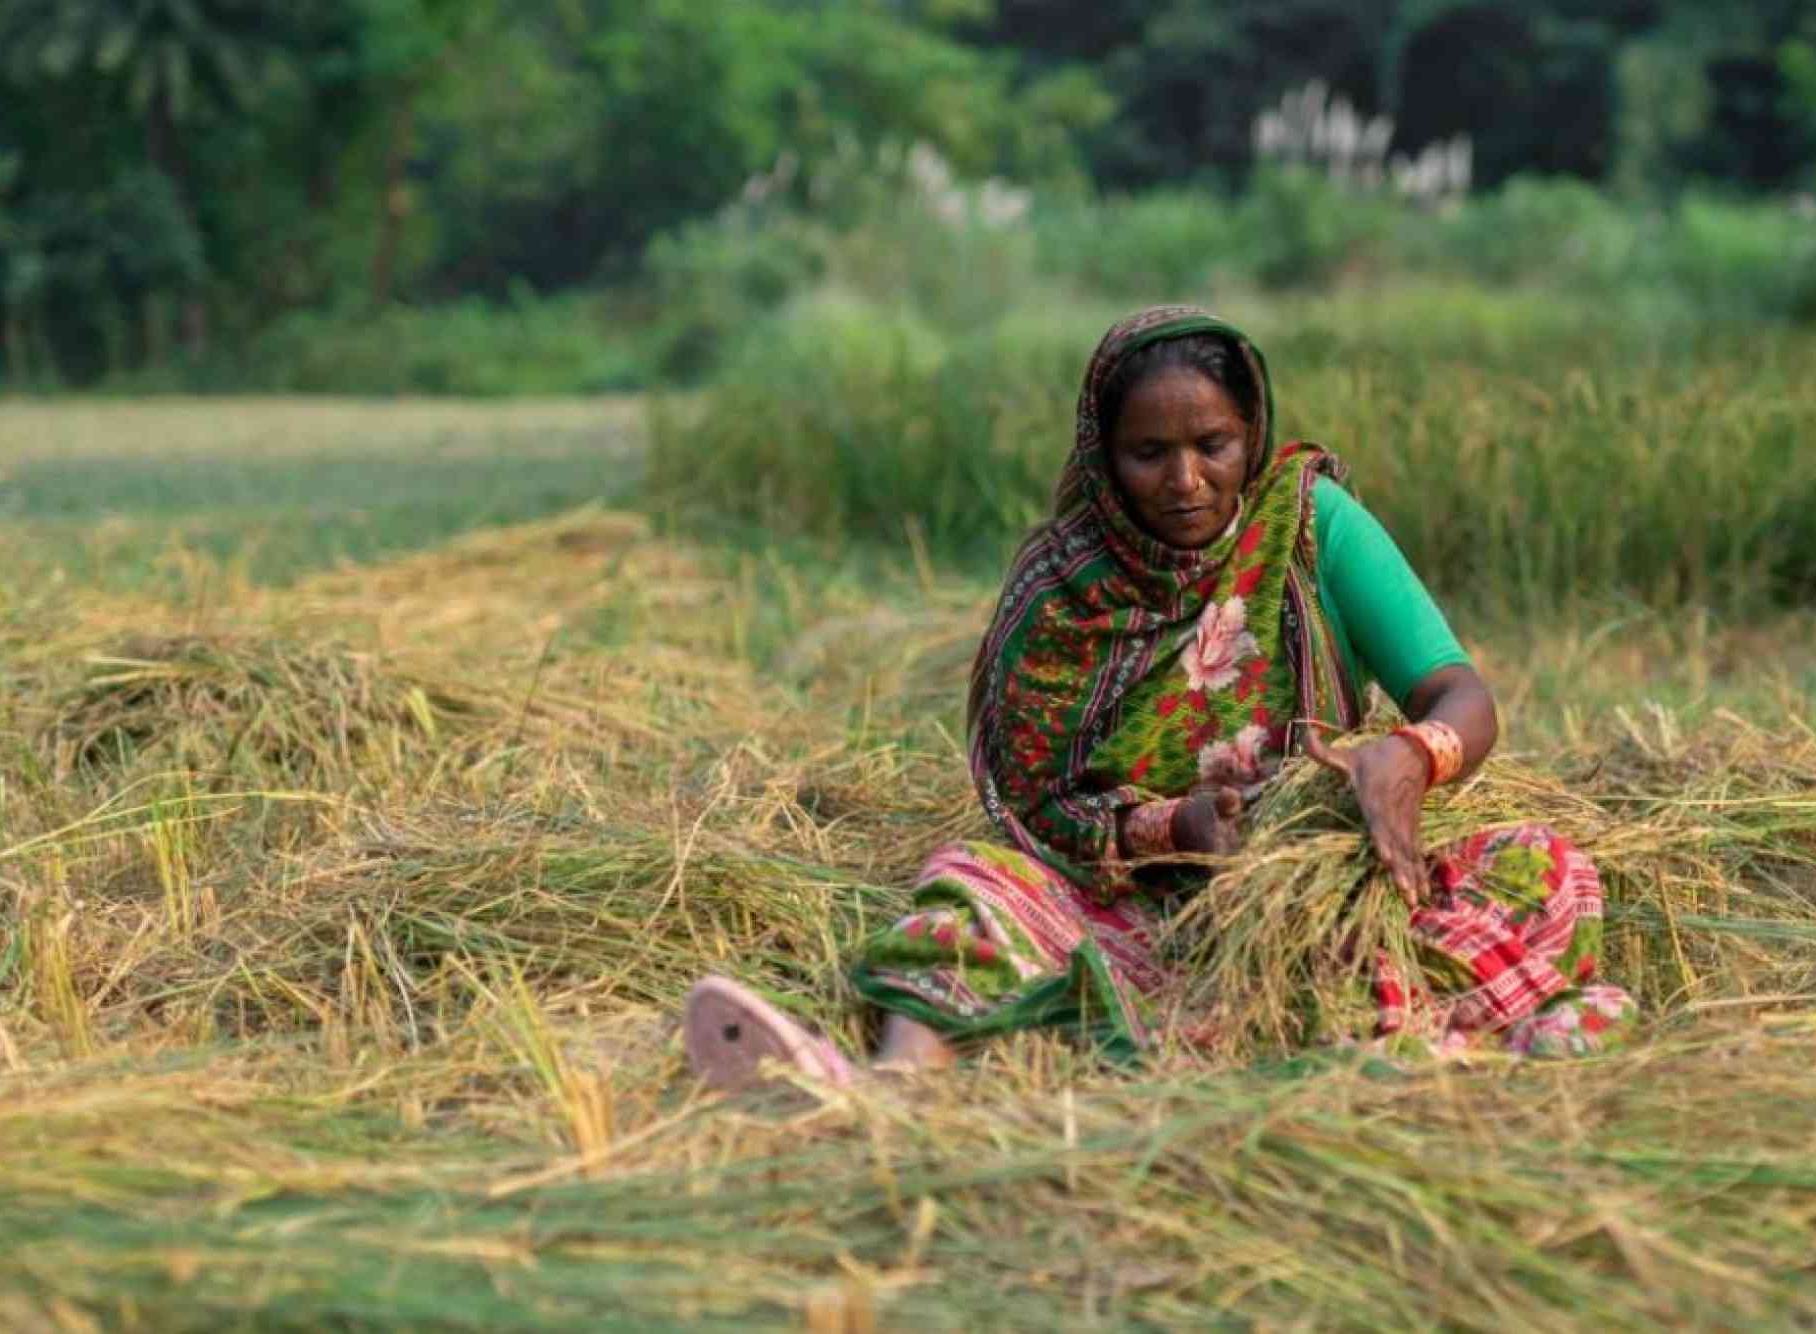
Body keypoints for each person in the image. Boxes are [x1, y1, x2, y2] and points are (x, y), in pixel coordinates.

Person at [683, 305, 1633, 1090]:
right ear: (1104, 453)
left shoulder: (1306, 521)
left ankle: (1347, 1029)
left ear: (1250, 433)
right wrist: (1172, 826)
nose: (1187, 482)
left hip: (1309, 890)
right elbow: (1035, 801)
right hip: (1124, 902)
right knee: (975, 885)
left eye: (1213, 444)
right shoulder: (1066, 584)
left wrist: (1411, 757)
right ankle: (890, 1089)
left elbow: (1457, 690)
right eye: (1149, 454)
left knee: (1546, 871)